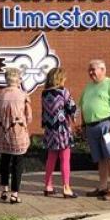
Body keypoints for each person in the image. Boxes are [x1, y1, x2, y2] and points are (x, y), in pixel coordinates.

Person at [78, 60, 110, 201]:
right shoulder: (88, 87)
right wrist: (83, 125)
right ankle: (102, 187)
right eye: (89, 70)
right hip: (91, 126)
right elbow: (83, 106)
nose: (91, 72)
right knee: (100, 158)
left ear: (103, 69)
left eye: (93, 69)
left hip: (107, 124)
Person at [0, 68, 31, 203]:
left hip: (4, 133)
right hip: (18, 134)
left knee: (4, 161)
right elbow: (29, 116)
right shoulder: (23, 95)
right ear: (18, 79)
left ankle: (4, 189)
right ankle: (15, 193)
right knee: (17, 163)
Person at [41, 67, 78, 198]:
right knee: (65, 159)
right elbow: (72, 108)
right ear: (60, 79)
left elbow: (44, 113)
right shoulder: (63, 92)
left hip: (50, 130)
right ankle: (66, 187)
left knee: (51, 158)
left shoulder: (44, 93)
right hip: (62, 129)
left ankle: (48, 185)